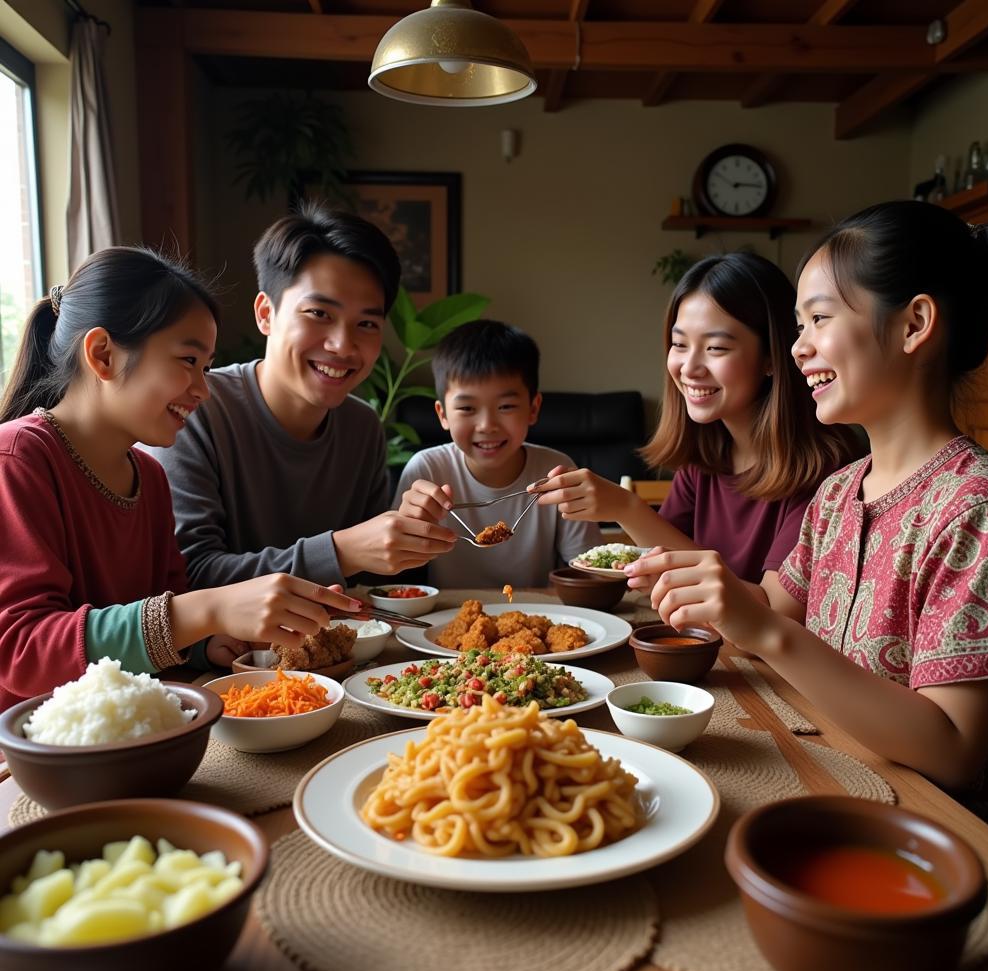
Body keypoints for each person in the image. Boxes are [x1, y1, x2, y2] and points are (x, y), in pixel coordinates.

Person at [632, 201, 988, 846]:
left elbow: (955, 749)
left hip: (939, 839)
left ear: (914, 324)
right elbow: (768, 609)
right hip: (839, 786)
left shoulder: (977, 506)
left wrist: (763, 627)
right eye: (797, 325)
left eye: (818, 319)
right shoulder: (841, 492)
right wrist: (724, 599)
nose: (797, 347)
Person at [0, 247, 358, 710]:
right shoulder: (18, 458)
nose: (203, 390)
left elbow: (162, 612)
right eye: (188, 361)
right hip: (32, 756)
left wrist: (205, 641)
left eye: (206, 368)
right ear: (103, 354)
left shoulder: (147, 475)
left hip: (129, 730)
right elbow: (21, 648)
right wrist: (209, 609)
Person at [147, 201, 455, 589]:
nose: (343, 345)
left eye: (366, 323)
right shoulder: (196, 409)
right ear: (266, 313)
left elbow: (367, 585)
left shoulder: (362, 429)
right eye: (319, 314)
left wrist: (407, 533)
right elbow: (188, 576)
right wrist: (342, 551)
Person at [530, 252, 854, 591]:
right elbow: (661, 555)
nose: (689, 368)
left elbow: (772, 615)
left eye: (715, 348)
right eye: (679, 344)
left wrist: (627, 507)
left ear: (771, 357)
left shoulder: (825, 472)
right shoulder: (705, 459)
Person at [394, 320, 602, 587]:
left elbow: (589, 571)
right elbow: (397, 578)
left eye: (505, 406)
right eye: (467, 409)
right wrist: (410, 528)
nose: (487, 426)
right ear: (442, 414)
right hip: (448, 617)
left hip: (537, 612)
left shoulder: (556, 472)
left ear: (533, 408)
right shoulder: (426, 471)